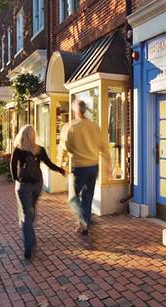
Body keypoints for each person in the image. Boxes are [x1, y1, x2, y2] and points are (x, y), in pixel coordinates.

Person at [10, 125, 66, 259]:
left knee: (26, 215)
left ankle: (29, 245)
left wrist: (16, 179)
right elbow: (49, 164)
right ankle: (30, 233)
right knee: (31, 210)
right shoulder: (39, 149)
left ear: (22, 135)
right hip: (37, 184)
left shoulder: (18, 149)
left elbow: (12, 165)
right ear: (34, 135)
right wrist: (61, 170)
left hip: (24, 185)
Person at [64, 100, 111, 235]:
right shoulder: (94, 126)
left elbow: (66, 146)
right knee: (88, 196)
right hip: (93, 166)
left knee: (73, 198)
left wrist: (63, 163)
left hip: (79, 167)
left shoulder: (72, 127)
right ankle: (85, 222)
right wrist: (108, 163)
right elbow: (104, 147)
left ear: (76, 111)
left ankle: (83, 221)